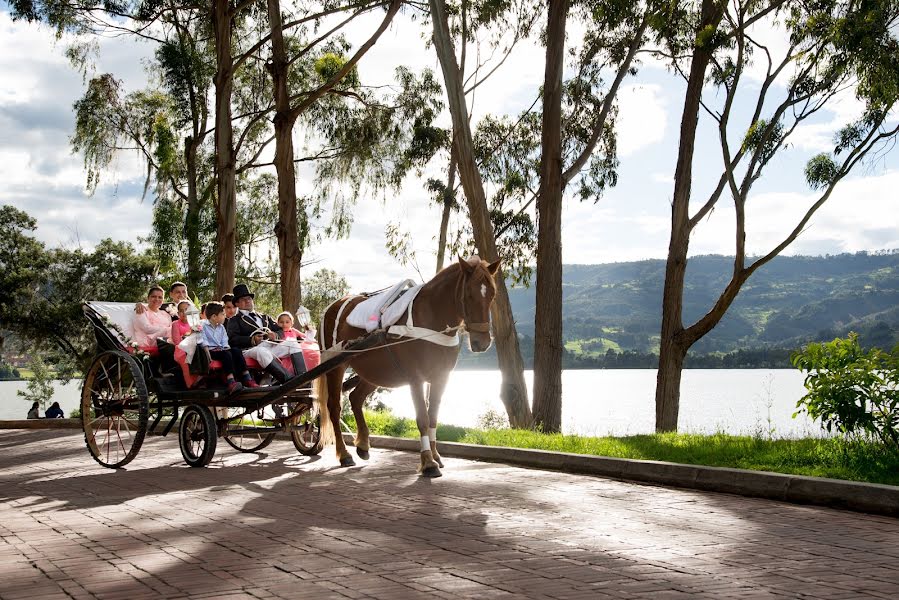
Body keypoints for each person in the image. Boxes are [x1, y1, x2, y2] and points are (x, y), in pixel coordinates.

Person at [226, 283, 306, 383]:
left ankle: (302, 378)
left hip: (269, 346)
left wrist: (275, 335)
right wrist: (252, 340)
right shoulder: (234, 320)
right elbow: (232, 339)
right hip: (249, 350)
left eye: (249, 298)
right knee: (261, 352)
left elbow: (279, 330)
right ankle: (287, 380)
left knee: (292, 344)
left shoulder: (265, 317)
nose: (247, 301)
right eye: (243, 299)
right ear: (237, 304)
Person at [200, 302, 258, 393]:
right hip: (211, 351)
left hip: (221, 350)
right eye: (222, 314)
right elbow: (204, 343)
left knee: (236, 351)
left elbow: (224, 342)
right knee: (226, 354)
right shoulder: (203, 326)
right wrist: (208, 357)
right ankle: (230, 380)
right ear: (214, 317)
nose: (225, 316)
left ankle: (247, 377)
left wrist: (229, 350)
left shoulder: (221, 327)